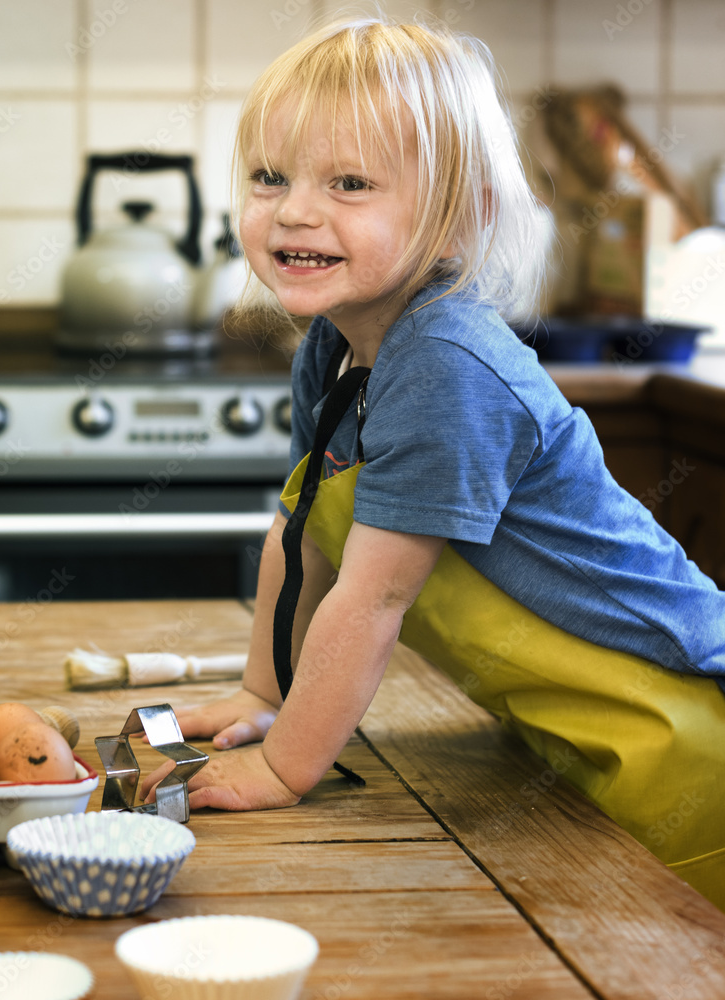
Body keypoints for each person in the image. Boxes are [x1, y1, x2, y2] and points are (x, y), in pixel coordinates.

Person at [140, 16, 725, 909]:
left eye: (350, 182)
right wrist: (267, 690)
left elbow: (373, 599)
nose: (295, 210)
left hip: (676, 741)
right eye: (270, 177)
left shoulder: (448, 365)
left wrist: (286, 767)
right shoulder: (334, 346)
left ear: (457, 217)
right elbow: (303, 539)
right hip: (560, 737)